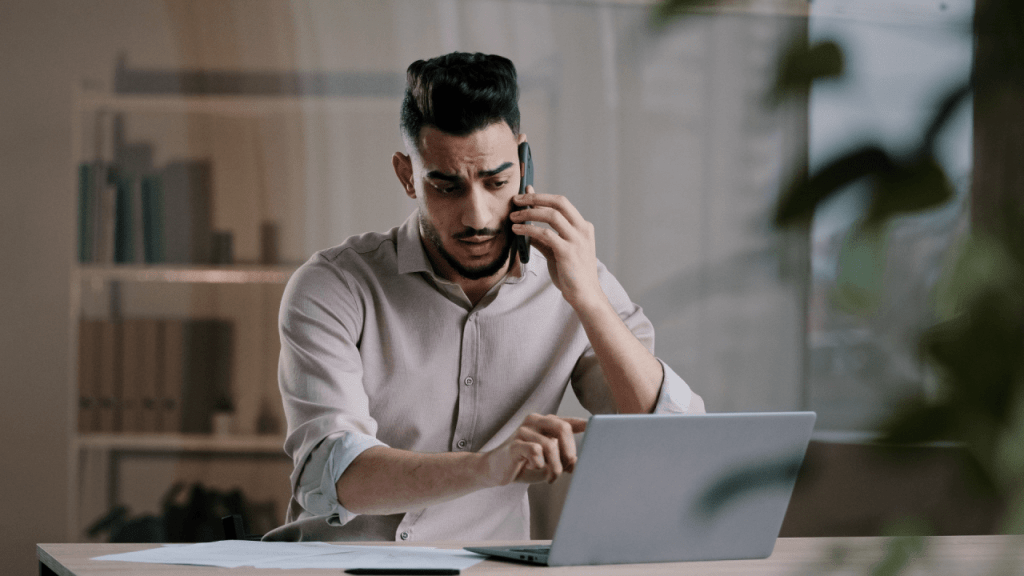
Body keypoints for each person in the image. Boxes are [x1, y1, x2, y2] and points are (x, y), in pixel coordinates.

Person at [265, 52, 705, 542]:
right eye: (446, 187)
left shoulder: (575, 281)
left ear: (524, 164)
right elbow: (335, 474)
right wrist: (489, 466)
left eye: (496, 182)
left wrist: (590, 301)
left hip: (487, 569)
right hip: (338, 569)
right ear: (408, 175)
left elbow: (672, 439)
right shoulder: (332, 286)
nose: (477, 216)